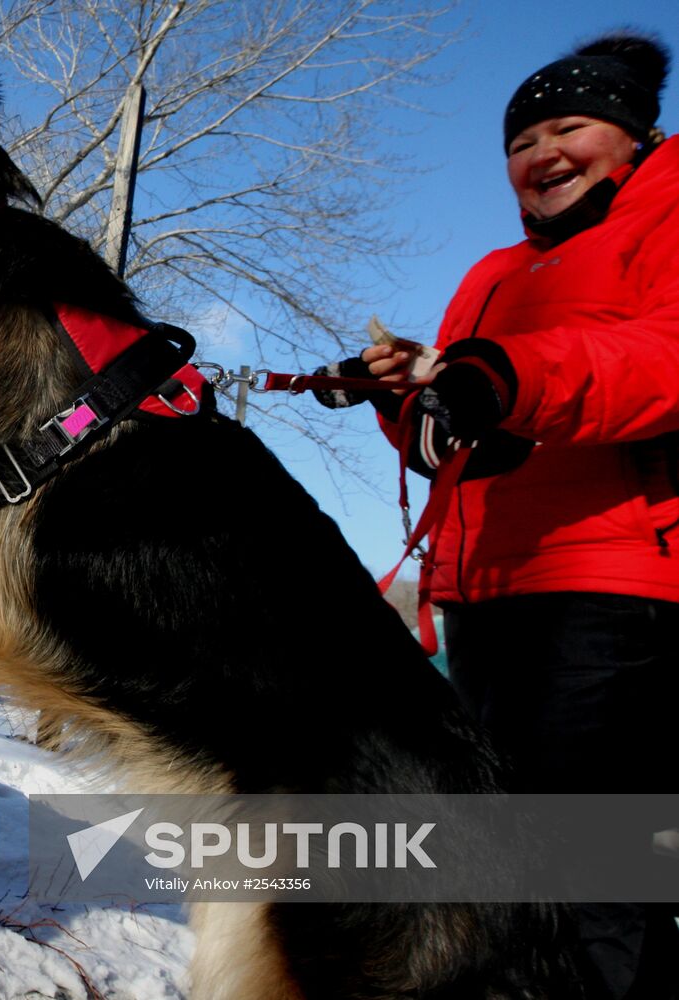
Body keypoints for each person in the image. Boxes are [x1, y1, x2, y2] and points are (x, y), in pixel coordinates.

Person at [320, 33, 679, 1000]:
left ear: (636, 138)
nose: (542, 154)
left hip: (616, 588)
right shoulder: (489, 273)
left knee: (592, 871)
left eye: (572, 126)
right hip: (484, 592)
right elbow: (459, 434)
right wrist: (406, 395)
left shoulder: (670, 217)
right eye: (522, 141)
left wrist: (503, 375)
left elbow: (662, 360)